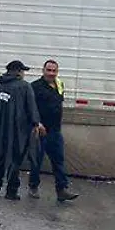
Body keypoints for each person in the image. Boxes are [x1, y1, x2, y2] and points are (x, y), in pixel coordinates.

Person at [0, 59, 39, 199]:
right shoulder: (24, 87)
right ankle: (11, 191)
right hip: (17, 132)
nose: (24, 74)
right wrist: (35, 123)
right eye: (23, 71)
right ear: (18, 71)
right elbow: (31, 107)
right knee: (14, 160)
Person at [27, 59, 78, 201]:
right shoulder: (35, 87)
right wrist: (37, 123)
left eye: (54, 70)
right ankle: (33, 186)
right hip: (40, 130)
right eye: (48, 70)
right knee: (37, 160)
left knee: (58, 161)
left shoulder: (59, 84)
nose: (51, 73)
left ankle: (62, 190)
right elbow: (30, 108)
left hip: (55, 130)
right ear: (43, 70)